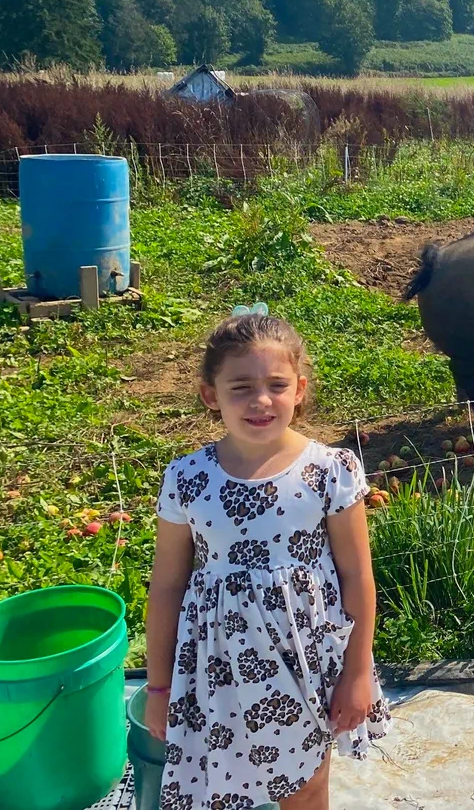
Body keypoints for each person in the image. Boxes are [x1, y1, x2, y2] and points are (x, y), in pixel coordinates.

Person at [145, 305, 390, 809]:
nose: (261, 400)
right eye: (240, 388)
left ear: (299, 390)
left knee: (304, 786)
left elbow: (357, 577)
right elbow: (168, 585)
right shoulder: (188, 478)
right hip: (219, 669)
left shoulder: (330, 470)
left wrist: (358, 671)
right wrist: (158, 686)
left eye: (277, 385)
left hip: (309, 661)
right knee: (225, 782)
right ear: (211, 396)